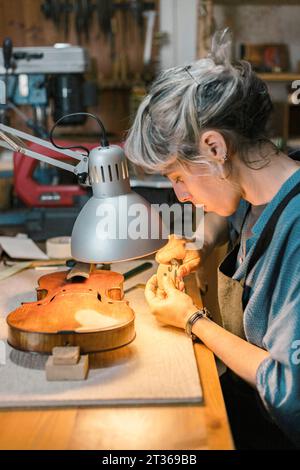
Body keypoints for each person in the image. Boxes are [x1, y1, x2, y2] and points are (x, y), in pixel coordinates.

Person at [124, 29, 300, 450]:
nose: (182, 195)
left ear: (215, 147)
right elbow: (232, 214)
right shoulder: (265, 185)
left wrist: (191, 319)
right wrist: (198, 242)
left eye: (178, 177)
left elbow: (289, 392)